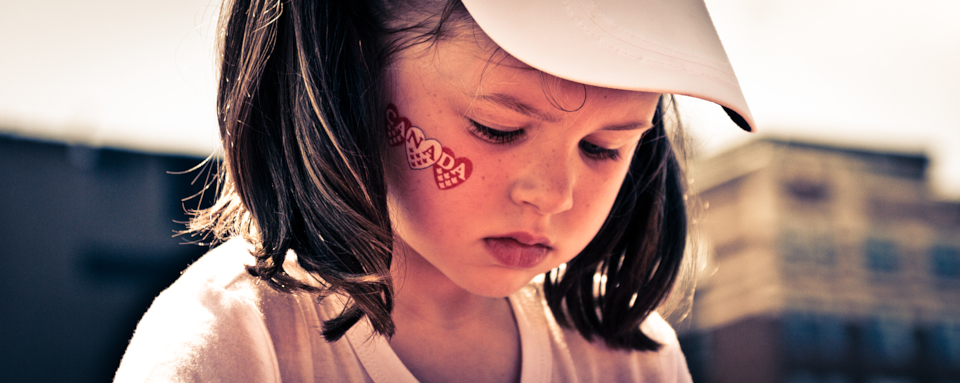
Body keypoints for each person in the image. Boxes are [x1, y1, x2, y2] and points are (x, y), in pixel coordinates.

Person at [114, 0, 754, 381]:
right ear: (348, 69)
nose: (554, 193)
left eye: (605, 148)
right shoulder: (235, 345)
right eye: (497, 128)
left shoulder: (629, 362)